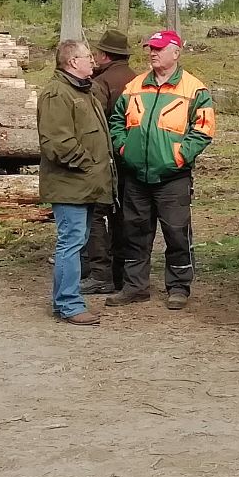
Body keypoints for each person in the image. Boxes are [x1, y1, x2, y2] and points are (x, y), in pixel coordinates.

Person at [108, 30, 215, 311]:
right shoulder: (134, 86)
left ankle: (178, 287)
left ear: (175, 53)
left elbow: (203, 130)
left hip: (172, 177)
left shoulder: (194, 89)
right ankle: (135, 286)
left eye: (158, 48)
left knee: (177, 233)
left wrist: (179, 157)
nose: (152, 53)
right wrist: (123, 148)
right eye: (150, 49)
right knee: (134, 232)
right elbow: (116, 120)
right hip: (136, 175)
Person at [38, 39, 112, 326]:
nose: (93, 60)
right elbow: (58, 143)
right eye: (87, 56)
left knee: (75, 243)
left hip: (84, 185)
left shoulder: (83, 91)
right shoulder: (57, 93)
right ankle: (69, 304)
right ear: (72, 62)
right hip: (71, 185)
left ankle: (64, 301)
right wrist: (89, 166)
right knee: (70, 244)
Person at [82, 28, 136, 295]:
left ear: (104, 55)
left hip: (106, 159)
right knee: (123, 216)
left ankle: (99, 273)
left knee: (95, 214)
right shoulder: (138, 80)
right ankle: (123, 272)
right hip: (133, 158)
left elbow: (93, 122)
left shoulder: (100, 83)